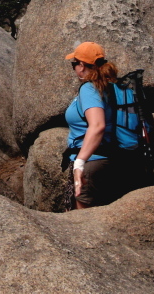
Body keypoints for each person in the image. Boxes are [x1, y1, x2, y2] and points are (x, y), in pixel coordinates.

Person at [64, 41, 120, 209]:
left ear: (81, 66)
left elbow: (97, 125)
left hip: (91, 164)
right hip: (107, 159)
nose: (74, 68)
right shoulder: (109, 86)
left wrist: (80, 163)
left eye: (74, 63)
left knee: (84, 226)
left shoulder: (90, 89)